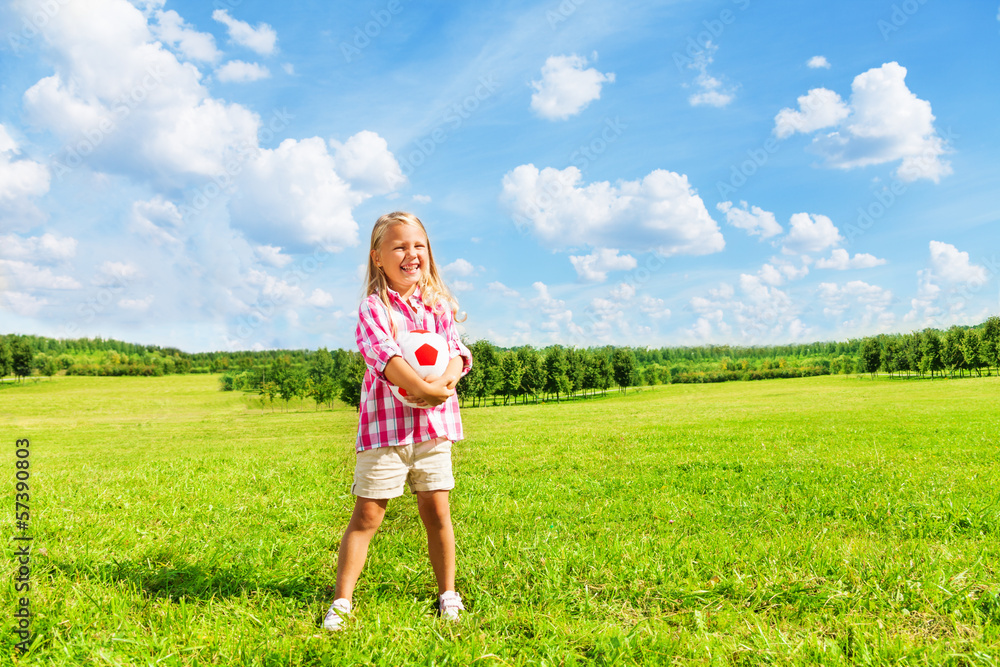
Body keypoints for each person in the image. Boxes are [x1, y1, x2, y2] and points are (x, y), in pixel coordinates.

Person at [324, 211, 473, 631]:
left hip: (432, 431)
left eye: (418, 245)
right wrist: (420, 389)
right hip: (385, 432)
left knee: (437, 512)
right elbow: (384, 355)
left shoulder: (437, 307)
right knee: (368, 515)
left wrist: (443, 381)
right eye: (399, 246)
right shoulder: (374, 308)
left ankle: (448, 593)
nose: (411, 253)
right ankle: (341, 602)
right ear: (377, 257)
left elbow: (457, 353)